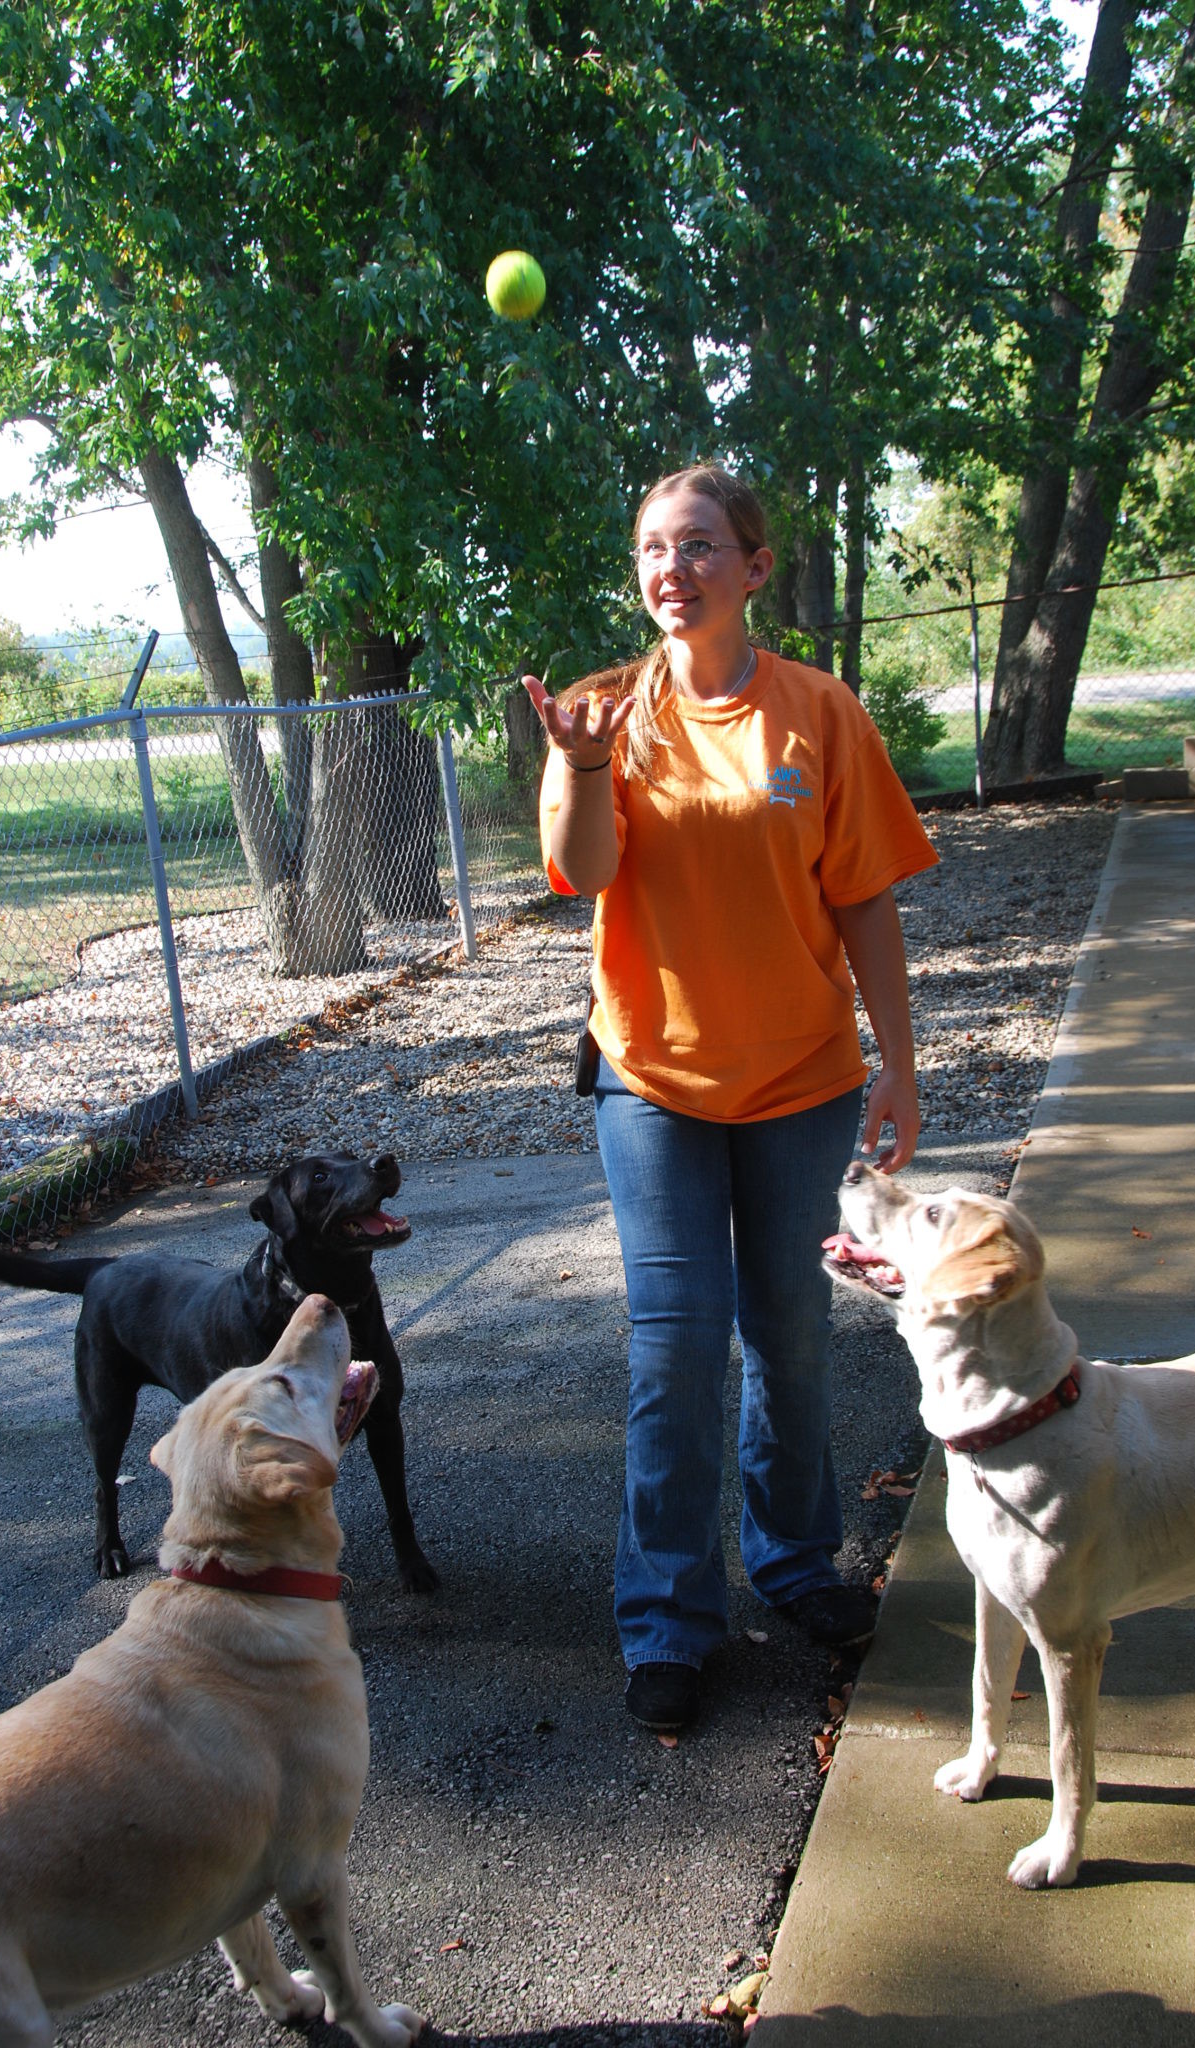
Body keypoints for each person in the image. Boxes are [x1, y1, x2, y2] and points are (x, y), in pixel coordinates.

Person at [525, 463, 938, 1735]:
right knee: (677, 1344)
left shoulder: (818, 713)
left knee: (791, 1332)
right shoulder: (600, 713)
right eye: (653, 547)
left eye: (700, 544)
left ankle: (798, 1564)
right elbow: (585, 873)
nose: (673, 568)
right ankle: (666, 1616)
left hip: (804, 1078)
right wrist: (585, 770)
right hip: (653, 1080)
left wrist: (902, 1063)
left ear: (755, 567)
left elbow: (863, 893)